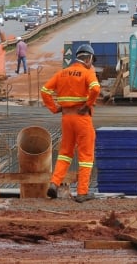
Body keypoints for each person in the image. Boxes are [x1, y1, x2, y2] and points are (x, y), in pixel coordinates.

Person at [40, 44, 100, 203]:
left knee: (65, 153)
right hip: (82, 118)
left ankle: (54, 183)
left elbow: (45, 91)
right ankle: (82, 192)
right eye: (91, 60)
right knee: (86, 156)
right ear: (88, 58)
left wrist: (54, 108)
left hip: (66, 118)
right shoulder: (87, 72)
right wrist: (88, 104)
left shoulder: (62, 73)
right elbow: (95, 89)